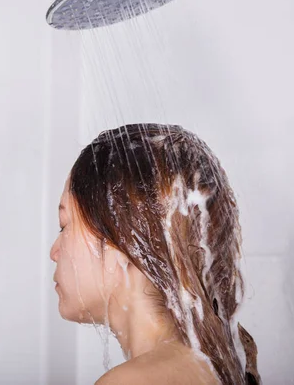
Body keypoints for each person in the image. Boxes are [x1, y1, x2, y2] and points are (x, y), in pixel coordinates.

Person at [50, 124, 261, 384]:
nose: (54, 251)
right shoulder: (210, 365)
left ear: (123, 241)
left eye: (64, 225)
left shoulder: (131, 382)